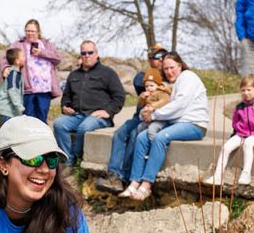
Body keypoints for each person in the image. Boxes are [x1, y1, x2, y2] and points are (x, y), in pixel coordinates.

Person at [119, 52, 208, 201]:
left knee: (160, 137)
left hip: (194, 124)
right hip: (178, 122)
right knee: (141, 137)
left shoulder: (188, 77)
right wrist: (147, 111)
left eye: (172, 67)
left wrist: (154, 115)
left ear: (180, 65)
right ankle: (134, 182)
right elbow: (167, 107)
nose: (169, 71)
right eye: (165, 69)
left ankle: (147, 184)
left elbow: (179, 106)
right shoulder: (173, 83)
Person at [95, 46, 167, 194]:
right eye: (155, 57)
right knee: (121, 133)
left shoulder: (167, 78)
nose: (160, 60)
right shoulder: (144, 76)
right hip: (139, 116)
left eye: (162, 56)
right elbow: (138, 82)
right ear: (149, 60)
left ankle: (124, 177)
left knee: (135, 134)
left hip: (155, 119)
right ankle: (113, 174)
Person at [52, 40, 126, 164]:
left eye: (90, 52)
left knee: (84, 128)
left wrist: (108, 112)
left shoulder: (107, 73)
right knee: (59, 124)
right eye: (84, 53)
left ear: (96, 54)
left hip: (97, 116)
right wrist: (65, 106)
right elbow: (66, 96)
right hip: (77, 115)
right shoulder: (74, 75)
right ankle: (67, 160)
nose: (87, 55)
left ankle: (75, 158)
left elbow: (119, 96)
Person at [205, 74, 254, 186]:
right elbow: (235, 123)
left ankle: (246, 174)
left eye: (249, 90)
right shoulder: (240, 107)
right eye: (243, 90)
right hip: (240, 134)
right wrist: (233, 137)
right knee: (226, 147)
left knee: (248, 144)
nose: (246, 93)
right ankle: (217, 176)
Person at [6, 20, 62, 123]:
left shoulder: (47, 44)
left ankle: (43, 139)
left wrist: (42, 52)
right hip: (28, 89)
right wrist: (5, 68)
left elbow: (58, 59)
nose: (30, 33)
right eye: (27, 31)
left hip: (44, 89)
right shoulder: (19, 45)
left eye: (33, 31)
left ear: (38, 32)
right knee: (28, 119)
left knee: (42, 118)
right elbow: (6, 58)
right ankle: (29, 139)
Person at [0, 48, 25, 122]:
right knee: (9, 132)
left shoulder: (15, 73)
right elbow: (12, 91)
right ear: (17, 61)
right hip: (8, 110)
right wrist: (20, 108)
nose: (24, 58)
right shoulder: (13, 73)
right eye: (23, 56)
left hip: (10, 110)